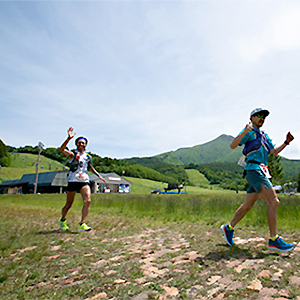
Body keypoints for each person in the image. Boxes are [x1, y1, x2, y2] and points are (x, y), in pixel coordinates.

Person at [221, 108, 295, 252]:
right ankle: (274, 240)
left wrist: (286, 142)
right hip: (254, 170)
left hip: (261, 171)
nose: (262, 118)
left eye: (264, 117)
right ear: (252, 117)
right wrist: (243, 131)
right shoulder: (248, 131)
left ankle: (228, 228)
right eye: (259, 115)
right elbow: (232, 145)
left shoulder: (264, 135)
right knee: (274, 201)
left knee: (247, 205)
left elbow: (273, 152)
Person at [58, 127, 106, 231]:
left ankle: (82, 224)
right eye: (79, 142)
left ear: (86, 145)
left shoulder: (88, 157)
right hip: (73, 180)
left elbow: (90, 168)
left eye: (83, 143)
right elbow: (61, 150)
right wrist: (68, 139)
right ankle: (62, 220)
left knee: (87, 200)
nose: (81, 144)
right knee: (69, 204)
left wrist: (99, 176)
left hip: (84, 181)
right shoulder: (73, 154)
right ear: (76, 144)